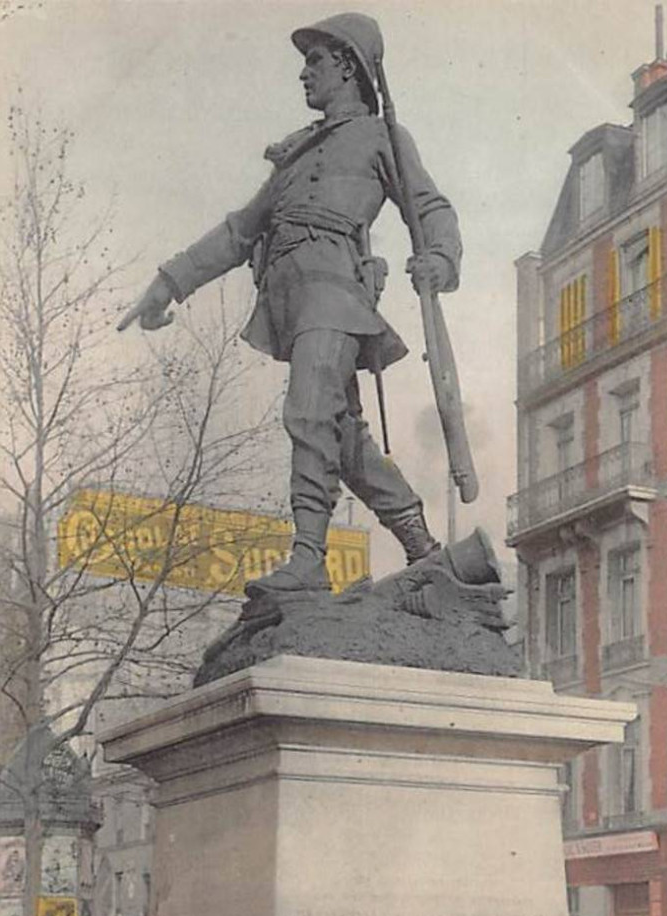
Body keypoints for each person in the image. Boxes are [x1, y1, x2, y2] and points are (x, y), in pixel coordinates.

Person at [118, 13, 464, 596]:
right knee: (341, 437)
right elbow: (239, 232)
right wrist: (168, 282)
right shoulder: (297, 154)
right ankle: (423, 548)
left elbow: (429, 207)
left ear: (348, 66)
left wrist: (442, 258)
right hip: (291, 301)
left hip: (337, 296)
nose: (304, 74)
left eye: (316, 61)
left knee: (306, 414)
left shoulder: (381, 137)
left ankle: (308, 558)